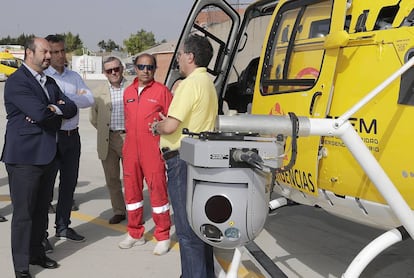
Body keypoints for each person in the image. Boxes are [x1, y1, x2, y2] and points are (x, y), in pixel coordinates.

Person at [1, 37, 78, 278]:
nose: (48, 56)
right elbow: (39, 113)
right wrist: (52, 111)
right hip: (24, 158)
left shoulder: (49, 81)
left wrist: (52, 110)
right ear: (29, 53)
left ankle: (36, 252)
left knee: (41, 211)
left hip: (48, 156)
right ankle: (22, 267)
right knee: (23, 215)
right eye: (44, 52)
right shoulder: (16, 82)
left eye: (49, 52)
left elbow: (71, 108)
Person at [150, 34, 217, 278]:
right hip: (199, 161)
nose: (178, 59)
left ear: (190, 56)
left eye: (180, 55)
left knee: (187, 233)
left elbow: (169, 127)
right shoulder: (208, 83)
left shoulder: (189, 84)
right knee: (200, 229)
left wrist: (156, 127)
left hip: (182, 161)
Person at [118, 54, 172, 255]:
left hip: (152, 150)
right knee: (132, 193)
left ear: (155, 69)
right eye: (141, 66)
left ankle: (163, 235)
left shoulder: (162, 92)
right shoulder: (128, 92)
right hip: (131, 149)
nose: (145, 70)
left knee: (158, 191)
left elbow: (171, 121)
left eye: (149, 67)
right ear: (135, 67)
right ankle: (135, 233)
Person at [44, 34, 94, 244]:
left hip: (72, 138)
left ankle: (63, 227)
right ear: (47, 53)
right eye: (55, 52)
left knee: (68, 185)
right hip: (51, 139)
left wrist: (64, 100)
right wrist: (73, 100)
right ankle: (41, 235)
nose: (59, 55)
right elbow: (47, 106)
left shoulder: (74, 77)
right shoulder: (44, 77)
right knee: (46, 188)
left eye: (62, 51)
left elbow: (89, 99)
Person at [90, 56, 127, 224]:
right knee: (112, 178)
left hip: (129, 138)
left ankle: (135, 209)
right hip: (108, 139)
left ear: (122, 69)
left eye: (116, 69)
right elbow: (93, 118)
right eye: (109, 70)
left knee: (132, 178)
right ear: (105, 73)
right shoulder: (98, 92)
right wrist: (105, 132)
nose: (113, 73)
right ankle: (119, 210)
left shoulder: (133, 88)